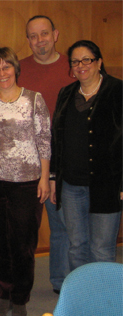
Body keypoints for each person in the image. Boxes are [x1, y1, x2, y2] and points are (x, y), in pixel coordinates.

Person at [0, 47, 51, 316]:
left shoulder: (34, 100)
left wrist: (45, 178)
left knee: (23, 243)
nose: (1, 73)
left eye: (6, 67)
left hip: (26, 182)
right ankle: (3, 293)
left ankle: (20, 297)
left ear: (16, 69)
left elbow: (44, 142)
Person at [50, 40, 122, 272]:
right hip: (71, 186)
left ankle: (101, 304)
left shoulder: (118, 91)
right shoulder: (66, 93)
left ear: (99, 62)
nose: (81, 65)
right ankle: (82, 301)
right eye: (75, 61)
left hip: (107, 184)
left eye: (87, 60)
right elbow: (56, 138)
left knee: (101, 249)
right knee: (77, 245)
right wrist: (53, 178)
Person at [19, 15, 75, 295]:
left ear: (55, 34)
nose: (39, 41)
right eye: (33, 36)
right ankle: (18, 286)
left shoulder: (74, 67)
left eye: (44, 34)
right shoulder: (19, 69)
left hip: (63, 162)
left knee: (62, 227)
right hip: (26, 163)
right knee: (24, 230)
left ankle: (60, 283)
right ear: (27, 39)